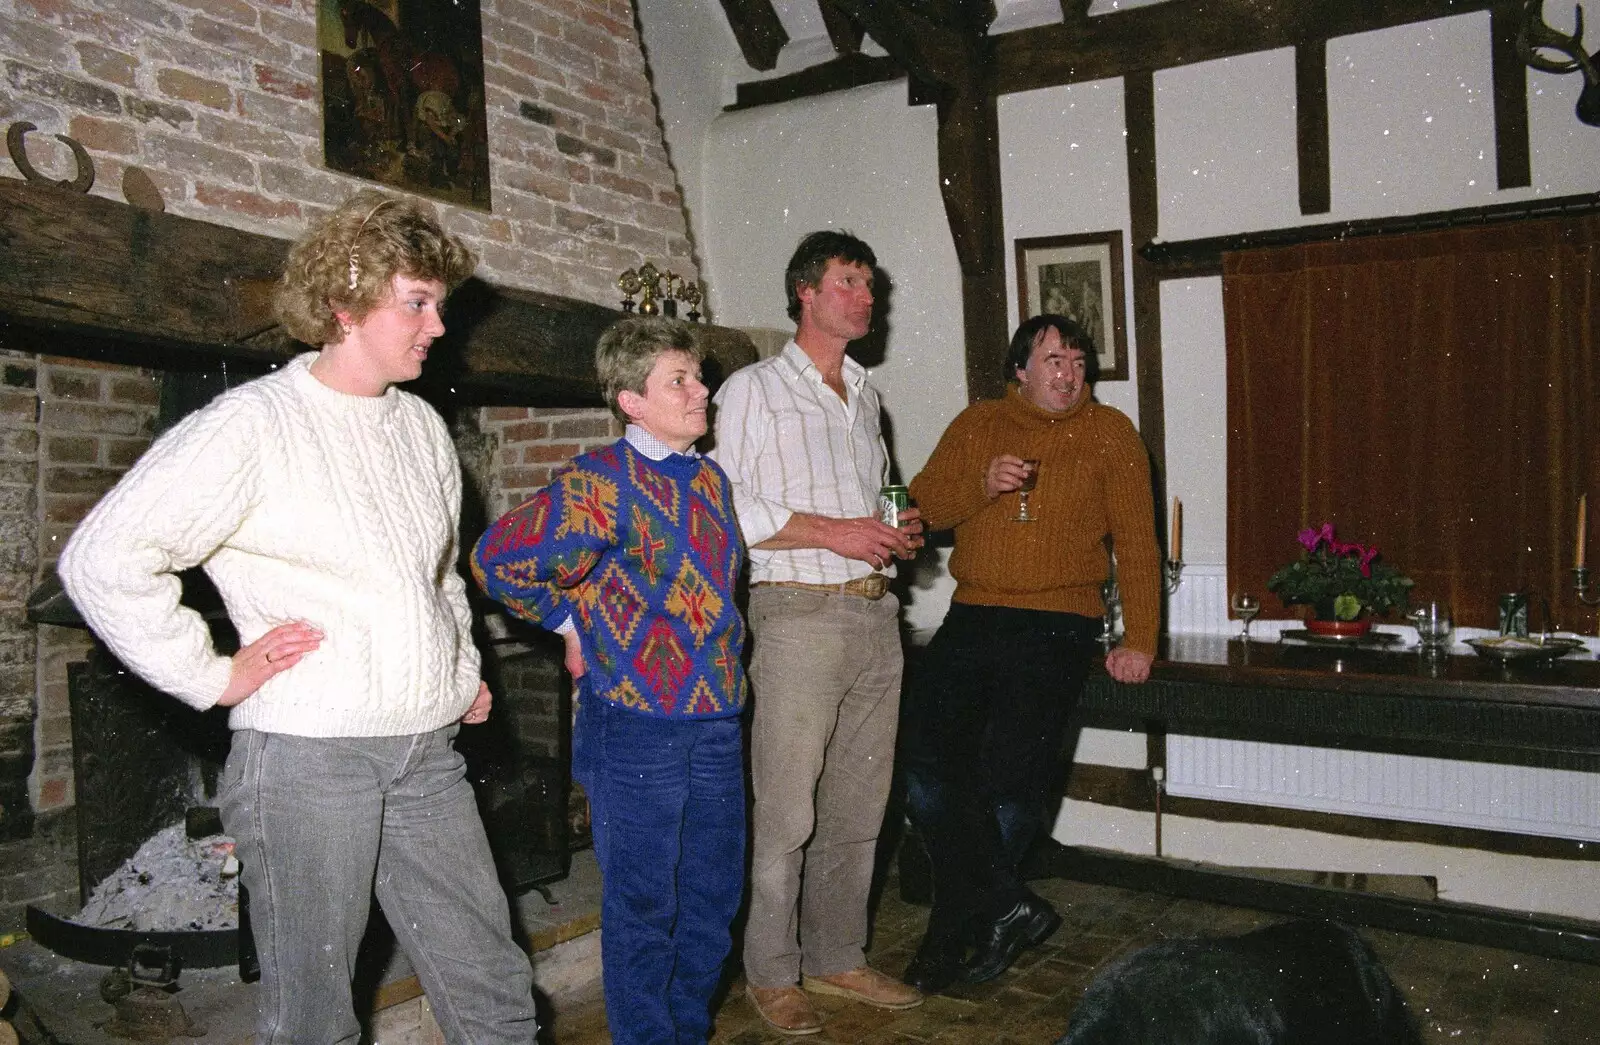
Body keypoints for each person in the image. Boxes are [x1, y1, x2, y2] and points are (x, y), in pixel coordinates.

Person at [58, 189, 538, 1044]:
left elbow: (437, 578)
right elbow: (103, 558)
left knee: (496, 988)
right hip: (308, 765)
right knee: (315, 1022)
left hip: (426, 753)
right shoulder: (254, 426)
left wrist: (456, 670)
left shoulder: (423, 427)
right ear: (346, 303)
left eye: (440, 305)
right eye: (417, 303)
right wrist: (213, 675)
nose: (437, 326)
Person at [473, 317, 746, 1045]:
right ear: (631, 400)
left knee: (713, 900)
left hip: (718, 720)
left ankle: (685, 1030)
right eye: (678, 381)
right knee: (645, 906)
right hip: (635, 725)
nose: (701, 391)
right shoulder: (601, 481)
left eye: (698, 375)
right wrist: (568, 625)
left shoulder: (712, 480)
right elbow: (498, 558)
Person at [900, 313, 1160, 993]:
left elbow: (1137, 543)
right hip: (975, 613)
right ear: (1020, 369)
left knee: (1008, 781)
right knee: (923, 758)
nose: (1067, 372)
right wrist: (982, 485)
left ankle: (953, 929)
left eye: (1077, 360)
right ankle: (1001, 905)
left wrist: (1140, 639)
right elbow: (920, 508)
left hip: (1057, 623)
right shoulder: (978, 424)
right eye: (1052, 359)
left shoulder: (1112, 435)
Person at [711, 230, 925, 1035]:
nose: (865, 297)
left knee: (859, 804)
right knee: (787, 808)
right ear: (806, 291)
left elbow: (874, 502)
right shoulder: (753, 390)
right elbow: (724, 505)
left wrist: (896, 529)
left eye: (869, 284)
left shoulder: (866, 395)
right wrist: (835, 533)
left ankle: (838, 955)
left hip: (875, 613)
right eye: (847, 281)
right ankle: (771, 970)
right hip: (797, 614)